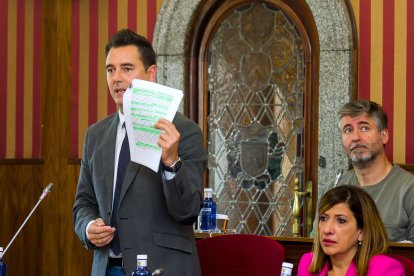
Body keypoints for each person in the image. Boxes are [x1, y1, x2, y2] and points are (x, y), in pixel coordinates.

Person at [72, 29, 207, 275]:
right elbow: (83, 203)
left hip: (162, 268)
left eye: (127, 68)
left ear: (151, 74)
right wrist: (88, 225)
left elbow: (188, 212)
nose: (117, 78)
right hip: (107, 267)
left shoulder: (185, 132)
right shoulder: (95, 135)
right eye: (110, 70)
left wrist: (171, 163)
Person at [317, 99, 414, 242]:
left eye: (364, 128)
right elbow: (315, 246)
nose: (356, 137)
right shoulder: (332, 189)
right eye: (348, 130)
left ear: (384, 136)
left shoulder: (409, 189)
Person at [299, 185, 404, 276]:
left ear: (362, 232)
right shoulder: (308, 263)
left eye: (341, 220)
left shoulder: (385, 270)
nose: (327, 229)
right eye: (323, 218)